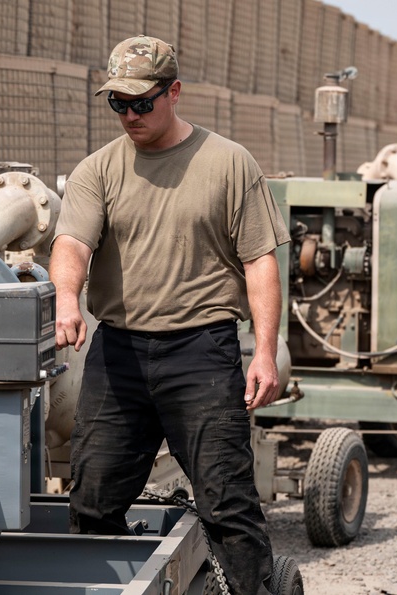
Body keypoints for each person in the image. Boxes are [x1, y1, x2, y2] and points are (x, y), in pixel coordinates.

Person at [49, 35, 290, 595]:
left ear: (173, 92)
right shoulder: (97, 170)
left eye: (142, 102)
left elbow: (260, 262)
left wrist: (264, 351)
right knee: (92, 500)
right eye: (118, 103)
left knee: (227, 502)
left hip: (202, 352)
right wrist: (66, 297)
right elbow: (72, 243)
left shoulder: (229, 163)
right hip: (119, 354)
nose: (129, 115)